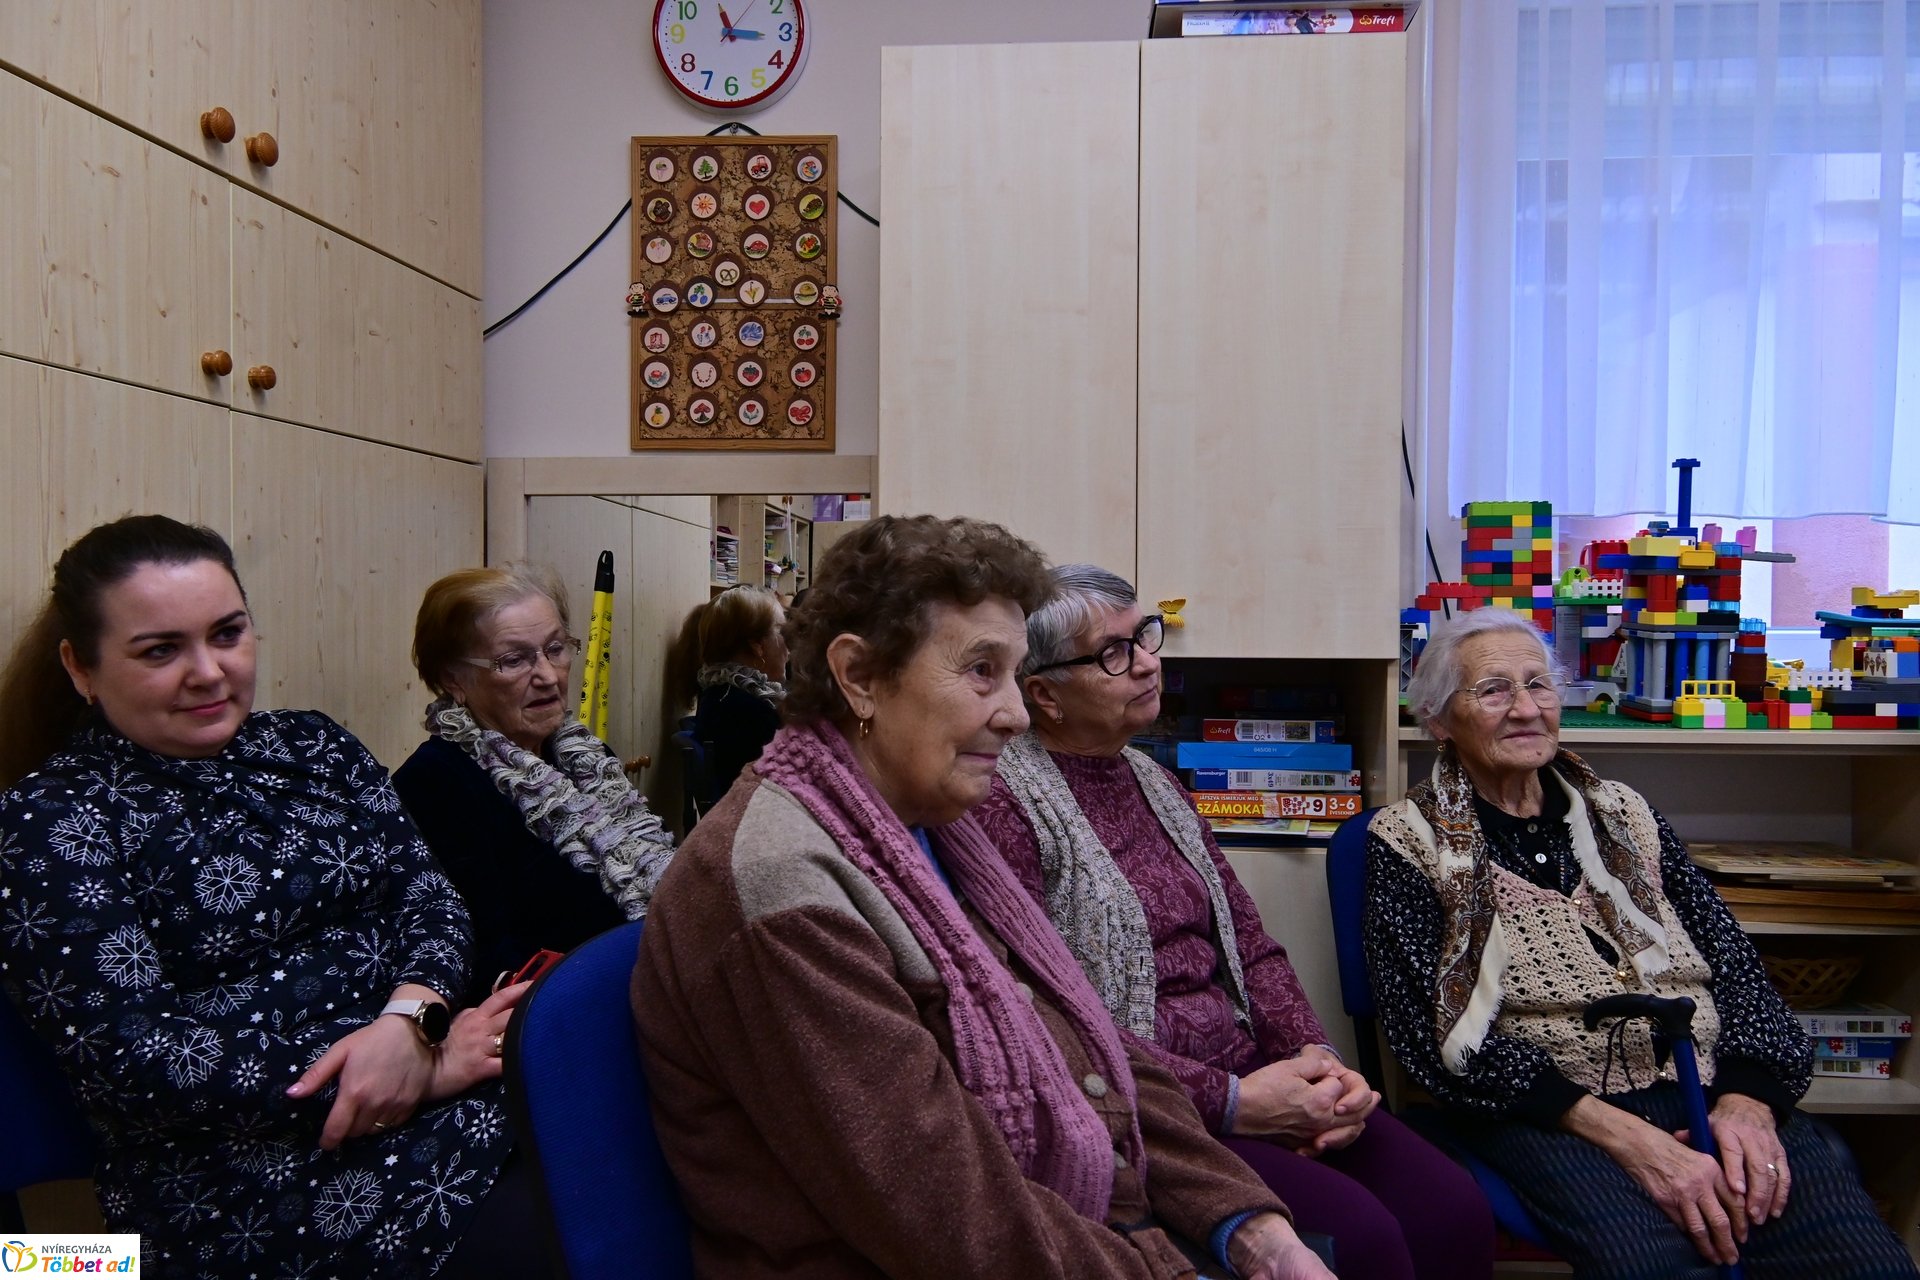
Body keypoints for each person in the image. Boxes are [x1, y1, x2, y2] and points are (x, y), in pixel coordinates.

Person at [632, 516, 1333, 1280]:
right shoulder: (783, 886)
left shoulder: (929, 827)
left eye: (1016, 673)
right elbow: (950, 1216)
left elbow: (1093, 1052)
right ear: (860, 677)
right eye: (980, 671)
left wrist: (1254, 1231)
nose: (1018, 713)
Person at [0, 515, 544, 1279]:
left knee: (651, 1145)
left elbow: (429, 900)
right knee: (576, 1231)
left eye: (227, 634)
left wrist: (411, 1023)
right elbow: (137, 1057)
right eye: (161, 650)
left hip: (432, 1082)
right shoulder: (52, 819)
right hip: (241, 1189)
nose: (210, 672)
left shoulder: (312, 745)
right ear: (80, 667)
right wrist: (402, 1074)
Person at [975, 564, 1493, 1280]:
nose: (1150, 662)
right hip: (1148, 1106)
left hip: (1254, 1067)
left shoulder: (1154, 778)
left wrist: (1320, 1069)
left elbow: (1250, 947)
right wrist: (1236, 1102)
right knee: (1363, 1241)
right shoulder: (1002, 804)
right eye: (1113, 654)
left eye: (1144, 637)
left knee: (1451, 1210)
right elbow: (1049, 1020)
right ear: (1044, 695)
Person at [1367, 607, 1916, 1279]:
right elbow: (1437, 1039)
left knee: (1863, 1263)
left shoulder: (1625, 813)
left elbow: (1738, 969)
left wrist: (1748, 1105)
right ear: (1438, 720)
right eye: (1493, 690)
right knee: (1656, 1266)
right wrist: (1631, 1140)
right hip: (1557, 1113)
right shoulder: (1408, 842)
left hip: (1707, 1087)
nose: (1525, 708)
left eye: (1539, 685)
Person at [394, 564, 674, 1002]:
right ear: (453, 680)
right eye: (514, 660)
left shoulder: (585, 757)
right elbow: (483, 960)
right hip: (562, 1016)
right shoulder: (433, 786)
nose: (547, 675)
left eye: (555, 649)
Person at [663, 584, 788, 801]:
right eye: (782, 632)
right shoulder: (744, 711)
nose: (788, 646)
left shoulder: (723, 694)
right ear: (758, 646)